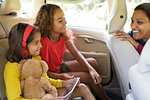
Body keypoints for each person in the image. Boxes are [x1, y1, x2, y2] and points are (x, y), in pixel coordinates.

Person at [34, 4, 110, 100]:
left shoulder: (63, 35)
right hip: (51, 75)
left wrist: (90, 69)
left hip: (59, 67)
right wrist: (60, 76)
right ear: (48, 24)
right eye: (60, 20)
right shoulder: (43, 42)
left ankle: (97, 92)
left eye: (64, 18)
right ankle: (105, 98)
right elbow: (41, 72)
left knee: (92, 62)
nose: (65, 22)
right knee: (89, 77)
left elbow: (76, 54)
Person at [4, 23, 96, 100]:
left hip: (44, 92)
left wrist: (63, 83)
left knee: (82, 88)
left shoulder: (35, 58)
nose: (40, 46)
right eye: (36, 43)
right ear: (22, 45)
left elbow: (45, 80)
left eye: (39, 41)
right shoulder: (12, 67)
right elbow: (15, 98)